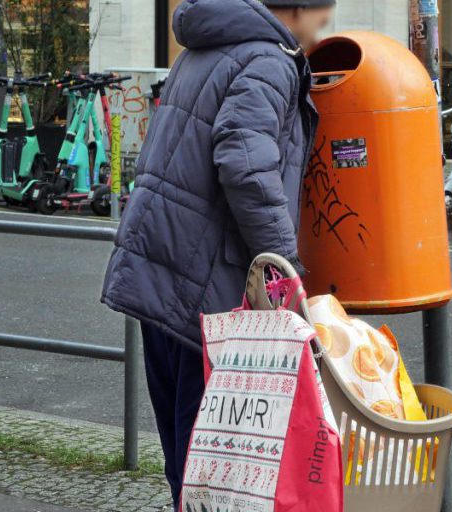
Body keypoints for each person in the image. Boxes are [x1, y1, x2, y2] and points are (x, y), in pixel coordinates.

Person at [100, 0, 334, 505]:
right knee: (207, 441)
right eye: (325, 11)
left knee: (182, 437)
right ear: (298, 7)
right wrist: (284, 264)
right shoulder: (269, 59)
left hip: (165, 259)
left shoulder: (206, 48)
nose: (327, 24)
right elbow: (246, 164)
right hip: (205, 275)